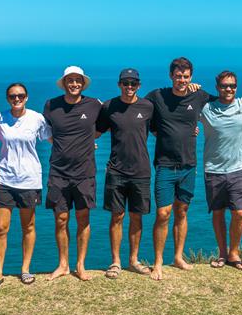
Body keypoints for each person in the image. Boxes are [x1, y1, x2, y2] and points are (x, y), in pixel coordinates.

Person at [145, 57, 213, 281]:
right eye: (178, 76)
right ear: (171, 76)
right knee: (163, 213)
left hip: (188, 165)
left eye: (185, 76)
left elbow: (224, 102)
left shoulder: (199, 96)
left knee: (182, 211)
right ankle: (158, 262)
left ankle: (178, 257)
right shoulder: (158, 96)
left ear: (191, 77)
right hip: (165, 165)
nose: (181, 80)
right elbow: (137, 109)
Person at [0, 83, 51, 290]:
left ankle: (25, 269)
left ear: (27, 97)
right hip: (4, 179)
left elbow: (54, 140)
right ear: (7, 98)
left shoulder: (37, 118)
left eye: (20, 95)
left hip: (30, 180)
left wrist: (84, 144)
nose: (16, 99)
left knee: (28, 226)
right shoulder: (0, 118)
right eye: (12, 96)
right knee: (1, 228)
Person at [199, 70, 242, 271]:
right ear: (217, 87)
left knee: (239, 212)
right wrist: (192, 86)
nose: (229, 89)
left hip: (239, 168)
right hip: (213, 169)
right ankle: (222, 253)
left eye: (232, 86)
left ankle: (234, 253)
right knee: (218, 213)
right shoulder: (206, 108)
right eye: (224, 86)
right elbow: (185, 111)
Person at [43, 66, 102, 281]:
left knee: (83, 218)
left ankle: (80, 265)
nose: (74, 84)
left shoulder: (95, 105)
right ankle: (63, 264)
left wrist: (89, 141)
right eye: (70, 80)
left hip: (85, 172)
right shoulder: (51, 105)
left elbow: (106, 124)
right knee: (61, 219)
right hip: (58, 172)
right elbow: (46, 131)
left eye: (78, 80)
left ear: (83, 83)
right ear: (64, 83)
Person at [95, 68, 154, 279]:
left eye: (133, 83)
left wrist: (192, 130)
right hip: (116, 170)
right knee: (116, 216)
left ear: (139, 85)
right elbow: (95, 131)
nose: (129, 87)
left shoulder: (147, 106)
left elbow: (159, 130)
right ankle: (116, 261)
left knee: (136, 217)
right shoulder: (109, 106)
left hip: (141, 170)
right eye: (125, 83)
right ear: (119, 84)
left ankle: (134, 260)